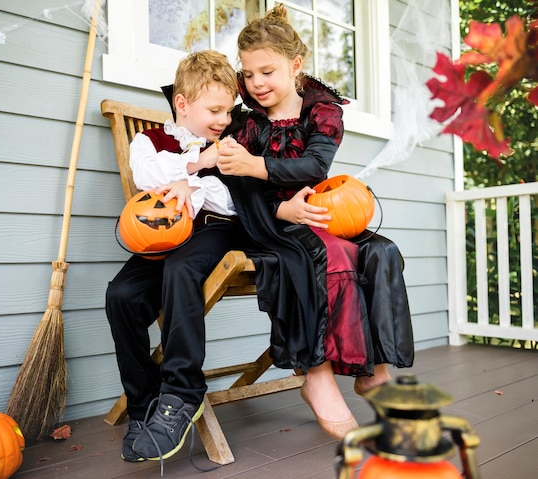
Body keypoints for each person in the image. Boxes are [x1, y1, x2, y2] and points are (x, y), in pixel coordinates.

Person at [216, 4, 414, 439]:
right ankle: (316, 375)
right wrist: (276, 207)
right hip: (266, 223)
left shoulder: (321, 111)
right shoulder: (244, 125)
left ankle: (373, 371)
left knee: (381, 251)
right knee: (329, 253)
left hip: (317, 213)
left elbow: (313, 166)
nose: (257, 83)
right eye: (248, 75)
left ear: (295, 65)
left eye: (266, 71)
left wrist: (256, 166)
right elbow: (226, 187)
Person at [105, 50, 242, 464]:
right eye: (214, 110)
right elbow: (147, 176)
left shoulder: (231, 145)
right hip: (162, 236)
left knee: (182, 270)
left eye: (228, 111)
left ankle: (182, 392)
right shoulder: (150, 140)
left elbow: (235, 200)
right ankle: (144, 403)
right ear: (182, 104)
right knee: (121, 296)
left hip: (215, 231)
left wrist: (193, 187)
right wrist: (197, 164)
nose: (223, 119)